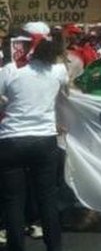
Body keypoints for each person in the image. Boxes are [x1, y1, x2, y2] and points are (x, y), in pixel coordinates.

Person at [0, 22, 67, 251]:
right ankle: (54, 247)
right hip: (44, 141)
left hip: (11, 141)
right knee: (47, 198)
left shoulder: (9, 70)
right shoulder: (58, 70)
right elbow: (69, 92)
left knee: (13, 201)